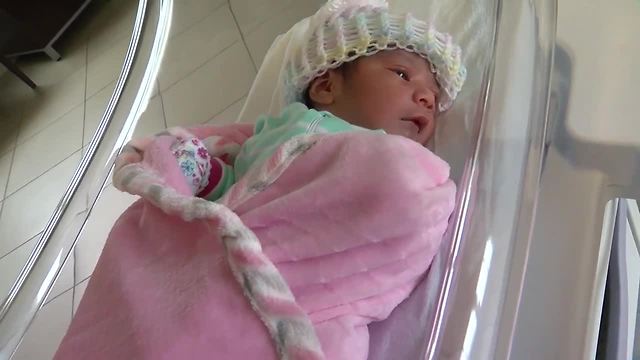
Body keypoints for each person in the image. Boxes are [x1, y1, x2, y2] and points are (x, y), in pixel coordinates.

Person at [168, 0, 466, 201]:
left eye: (435, 96)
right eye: (402, 74)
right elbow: (239, 185)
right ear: (326, 87)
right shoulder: (292, 128)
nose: (427, 97)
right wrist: (209, 177)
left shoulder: (406, 166)